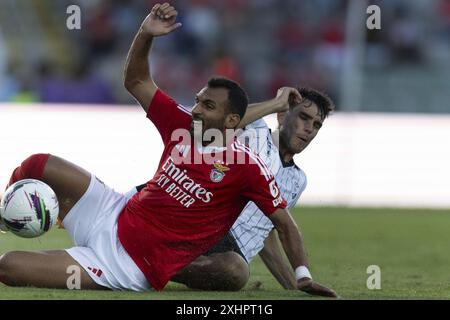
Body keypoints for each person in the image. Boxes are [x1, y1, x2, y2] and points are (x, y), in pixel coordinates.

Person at [0, 3, 335, 297]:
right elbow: (136, 82)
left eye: (207, 105)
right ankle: (6, 216)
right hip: (114, 211)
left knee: (9, 266)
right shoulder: (181, 126)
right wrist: (146, 34)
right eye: (198, 100)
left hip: (124, 264)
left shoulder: (246, 166)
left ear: (232, 119)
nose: (197, 109)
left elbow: (284, 224)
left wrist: (302, 277)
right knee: (39, 164)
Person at [127, 86, 335, 291]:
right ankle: (131, 240)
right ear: (282, 116)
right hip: (199, 218)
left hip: (230, 252)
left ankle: (148, 259)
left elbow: (267, 231)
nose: (309, 128)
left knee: (236, 271)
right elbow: (219, 123)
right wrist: (275, 103)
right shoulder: (255, 131)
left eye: (316, 124)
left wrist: (294, 287)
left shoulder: (298, 180)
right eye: (304, 117)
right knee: (160, 190)